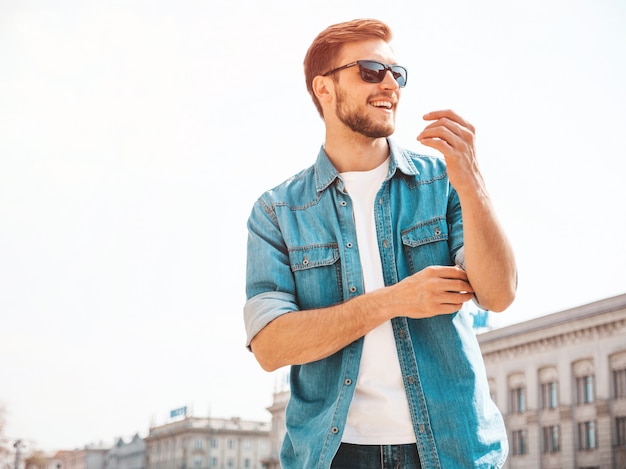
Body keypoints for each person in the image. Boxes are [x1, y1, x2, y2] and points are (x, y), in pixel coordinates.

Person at [243, 18, 517, 469]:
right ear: (324, 89)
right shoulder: (277, 212)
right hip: (333, 457)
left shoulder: (444, 182)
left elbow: (499, 293)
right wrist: (395, 300)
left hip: (452, 452)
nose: (390, 83)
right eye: (371, 70)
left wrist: (473, 183)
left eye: (397, 73)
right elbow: (271, 346)